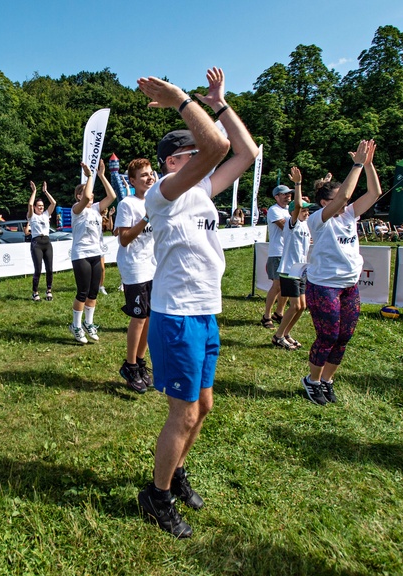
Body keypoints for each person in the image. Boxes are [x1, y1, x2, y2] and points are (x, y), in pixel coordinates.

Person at [136, 67, 258, 538]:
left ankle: (177, 469)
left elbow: (244, 152)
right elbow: (219, 148)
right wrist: (184, 100)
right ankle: (157, 495)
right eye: (191, 153)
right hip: (177, 315)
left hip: (205, 310)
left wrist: (219, 102)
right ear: (174, 161)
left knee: (203, 408)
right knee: (183, 411)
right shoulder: (161, 196)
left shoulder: (202, 193)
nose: (201, 158)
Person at [301, 139, 380, 406]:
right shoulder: (318, 219)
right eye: (337, 201)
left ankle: (327, 380)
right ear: (325, 202)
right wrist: (356, 164)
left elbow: (374, 193)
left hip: (349, 284)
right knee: (328, 336)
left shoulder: (349, 216)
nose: (345, 205)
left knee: (344, 336)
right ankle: (312, 381)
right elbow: (346, 195)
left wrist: (368, 166)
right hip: (323, 284)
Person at [114, 158, 157, 393]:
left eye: (151, 173)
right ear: (132, 181)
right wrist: (147, 217)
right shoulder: (127, 204)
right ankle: (129, 366)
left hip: (152, 266)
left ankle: (140, 363)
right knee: (139, 317)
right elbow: (124, 238)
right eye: (143, 175)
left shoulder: (156, 201)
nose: (149, 177)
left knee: (150, 318)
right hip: (134, 267)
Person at [68, 159, 116, 344]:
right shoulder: (77, 209)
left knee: (93, 292)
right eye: (86, 193)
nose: (91, 197)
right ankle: (76, 325)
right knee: (83, 291)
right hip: (81, 254)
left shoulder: (96, 209)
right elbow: (87, 197)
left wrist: (102, 176)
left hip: (96, 253)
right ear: (78, 196)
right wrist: (89, 176)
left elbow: (111, 196)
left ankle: (89, 323)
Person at [272, 167, 311, 350]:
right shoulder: (291, 223)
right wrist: (298, 184)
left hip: (300, 269)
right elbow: (296, 205)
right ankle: (278, 335)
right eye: (304, 210)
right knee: (295, 305)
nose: (307, 213)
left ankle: (286, 332)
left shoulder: (305, 226)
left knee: (302, 306)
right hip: (289, 270)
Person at [262, 184, 292, 328]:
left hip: (289, 253)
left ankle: (279, 313)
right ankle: (266, 315)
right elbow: (286, 226)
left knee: (286, 285)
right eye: (284, 194)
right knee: (277, 285)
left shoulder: (289, 210)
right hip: (277, 252)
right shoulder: (274, 210)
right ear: (277, 197)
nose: (288, 196)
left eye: (289, 194)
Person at [27, 180, 57, 301]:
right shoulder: (31, 215)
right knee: (38, 269)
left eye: (42, 206)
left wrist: (45, 192)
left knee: (49, 269)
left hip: (47, 242)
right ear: (35, 207)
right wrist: (34, 191)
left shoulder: (45, 215)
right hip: (36, 243)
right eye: (38, 206)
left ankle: (49, 290)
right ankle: (35, 292)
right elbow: (29, 205)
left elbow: (53, 203)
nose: (41, 208)